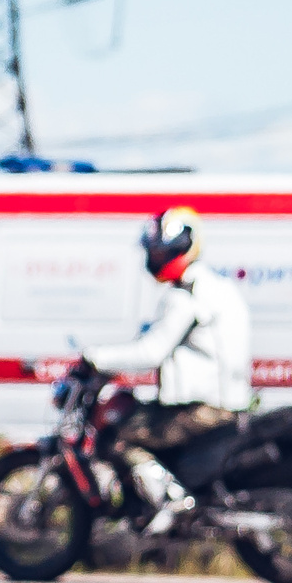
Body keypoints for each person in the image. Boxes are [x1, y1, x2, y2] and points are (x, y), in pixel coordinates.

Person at [82, 206, 254, 532]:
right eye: (155, 249)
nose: (158, 255)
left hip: (203, 409)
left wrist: (94, 358)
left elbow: (152, 350)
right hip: (225, 403)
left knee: (119, 437)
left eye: (164, 248)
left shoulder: (186, 294)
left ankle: (168, 501)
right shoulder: (218, 286)